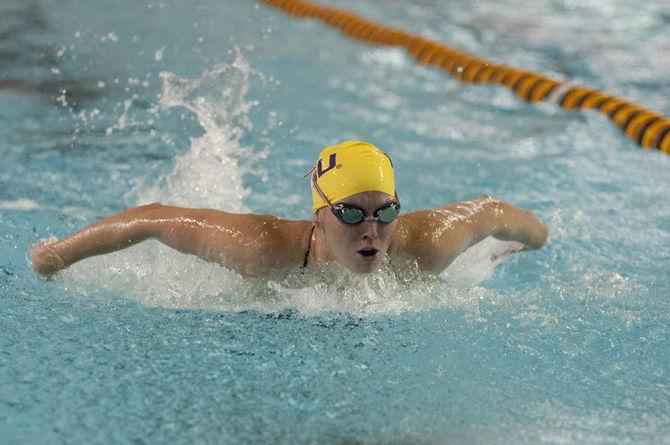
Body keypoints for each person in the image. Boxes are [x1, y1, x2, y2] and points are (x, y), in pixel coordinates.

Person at [31, 141, 548, 279]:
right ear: (318, 216)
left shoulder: (427, 244)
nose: (371, 229)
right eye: (350, 213)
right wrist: (57, 257)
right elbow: (153, 218)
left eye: (384, 213)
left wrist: (538, 239)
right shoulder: (262, 249)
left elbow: (492, 211)